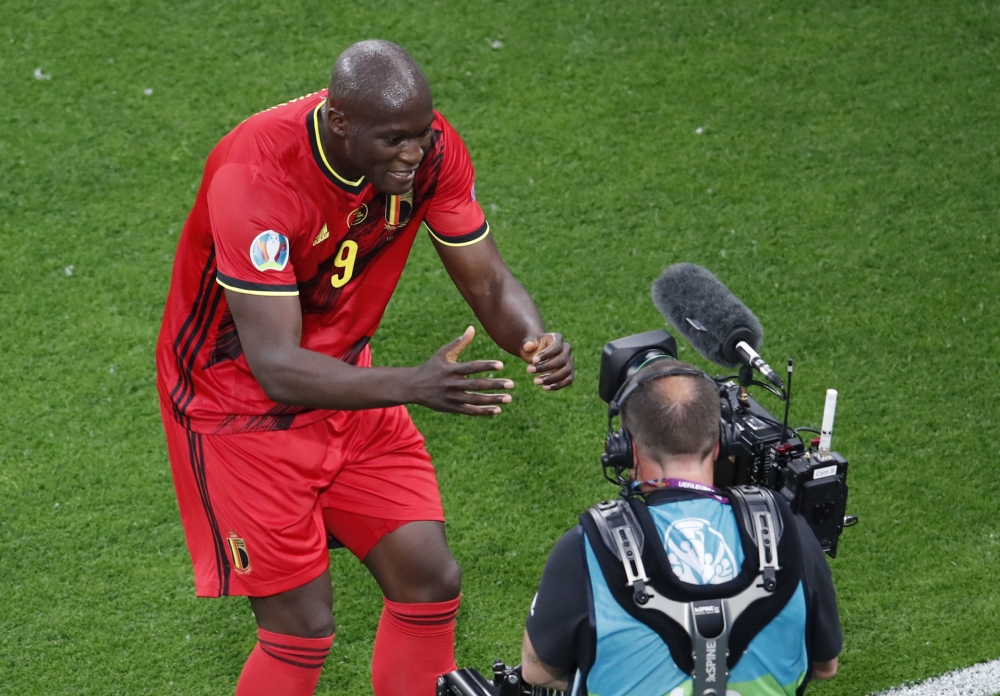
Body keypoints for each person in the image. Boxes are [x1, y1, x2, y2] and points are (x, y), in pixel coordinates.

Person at [155, 39, 573, 696]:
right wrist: (413, 385)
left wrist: (534, 340)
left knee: (429, 578)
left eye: (422, 134)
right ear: (339, 121)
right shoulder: (256, 176)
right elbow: (274, 365)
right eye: (394, 141)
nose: (414, 153)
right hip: (235, 411)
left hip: (351, 384)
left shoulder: (428, 151)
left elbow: (488, 282)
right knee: (301, 629)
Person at [520, 361, 840, 695]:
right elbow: (824, 665)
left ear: (626, 450)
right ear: (721, 442)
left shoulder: (585, 548)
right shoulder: (790, 531)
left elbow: (537, 671)